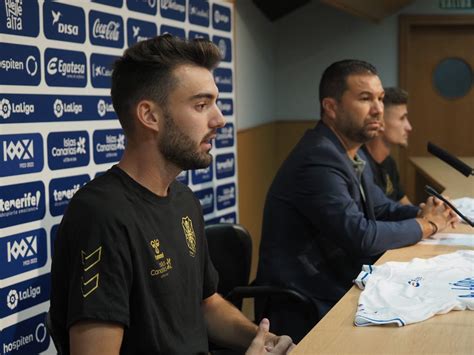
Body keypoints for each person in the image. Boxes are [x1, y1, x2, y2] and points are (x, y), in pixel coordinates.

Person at [49, 35, 293, 354]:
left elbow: (205, 304)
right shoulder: (101, 215)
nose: (219, 119)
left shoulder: (183, 199)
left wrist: (260, 340)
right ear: (150, 116)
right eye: (201, 105)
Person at [256, 59, 458, 342]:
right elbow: (360, 235)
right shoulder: (318, 159)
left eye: (380, 98)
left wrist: (427, 212)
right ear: (331, 107)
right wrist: (427, 226)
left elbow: (382, 208)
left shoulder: (352, 152)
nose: (378, 109)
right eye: (365, 98)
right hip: (306, 302)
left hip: (339, 284)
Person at [362, 87, 412, 204]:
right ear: (380, 123)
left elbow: (404, 204)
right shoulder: (361, 167)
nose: (409, 127)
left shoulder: (389, 163)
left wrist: (428, 214)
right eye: (402, 118)